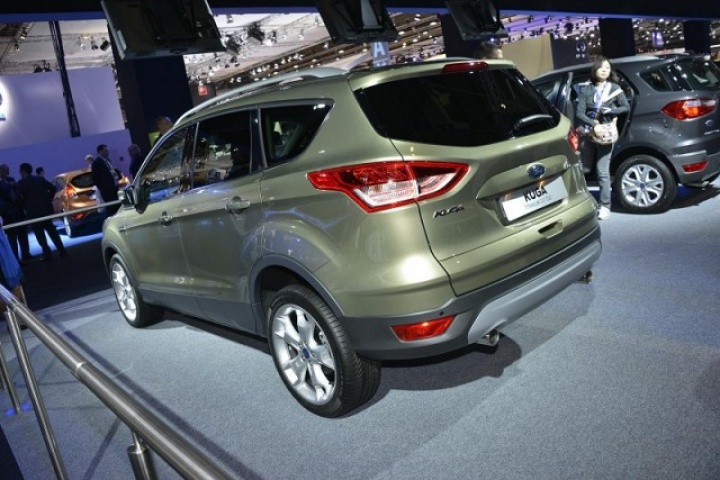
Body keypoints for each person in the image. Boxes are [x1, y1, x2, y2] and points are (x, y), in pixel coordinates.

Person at [575, 56, 630, 220]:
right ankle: (583, 202)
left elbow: (625, 107)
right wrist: (594, 124)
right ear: (595, 70)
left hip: (606, 135)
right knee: (584, 169)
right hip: (588, 134)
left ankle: (605, 205)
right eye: (601, 67)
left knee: (602, 171)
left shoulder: (615, 88)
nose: (604, 70)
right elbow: (579, 113)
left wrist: (611, 111)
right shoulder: (586, 89)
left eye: (607, 67)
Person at [17, 162, 67, 262]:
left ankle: (47, 254)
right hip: (45, 209)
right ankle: (62, 250)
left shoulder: (21, 183)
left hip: (33, 212)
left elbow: (19, 197)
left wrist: (25, 206)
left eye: (20, 171)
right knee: (52, 230)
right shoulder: (40, 179)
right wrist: (48, 199)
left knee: (39, 234)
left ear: (23, 171)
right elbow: (52, 188)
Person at [0, 164, 33, 263]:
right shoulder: (5, 183)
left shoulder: (11, 179)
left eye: (8, 170)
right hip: (8, 214)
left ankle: (26, 254)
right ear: (0, 171)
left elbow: (17, 192)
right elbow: (4, 192)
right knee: (12, 237)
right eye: (5, 171)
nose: (8, 172)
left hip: (18, 211)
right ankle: (16, 259)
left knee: (23, 233)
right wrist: (10, 186)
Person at [91, 144, 120, 216]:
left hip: (114, 188)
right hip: (107, 191)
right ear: (100, 151)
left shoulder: (107, 161)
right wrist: (104, 188)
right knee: (112, 209)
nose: (108, 152)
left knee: (117, 207)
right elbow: (96, 178)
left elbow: (111, 172)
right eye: (105, 150)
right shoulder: (96, 163)